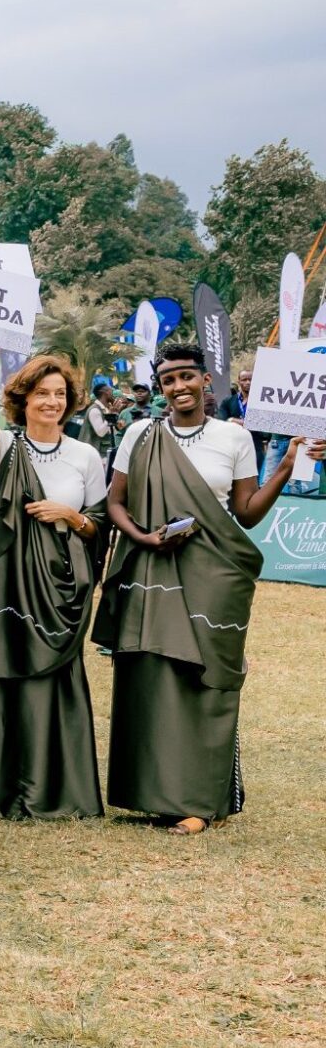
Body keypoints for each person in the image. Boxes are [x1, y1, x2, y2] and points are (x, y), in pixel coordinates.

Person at [98, 341, 318, 834]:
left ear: (205, 380)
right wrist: (143, 538)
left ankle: (199, 800)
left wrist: (285, 466)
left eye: (186, 376)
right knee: (151, 674)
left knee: (205, 677)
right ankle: (150, 793)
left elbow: (246, 513)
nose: (178, 386)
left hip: (212, 571)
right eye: (168, 379)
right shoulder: (139, 434)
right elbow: (115, 502)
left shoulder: (233, 438)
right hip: (152, 565)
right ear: (160, 387)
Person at [0, 354, 108, 821]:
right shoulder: (5, 446)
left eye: (60, 394)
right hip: (6, 584)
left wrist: (70, 515)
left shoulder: (85, 455)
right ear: (24, 399)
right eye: (42, 393)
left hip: (59, 586)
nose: (52, 402)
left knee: (50, 681)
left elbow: (99, 524)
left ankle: (53, 790)